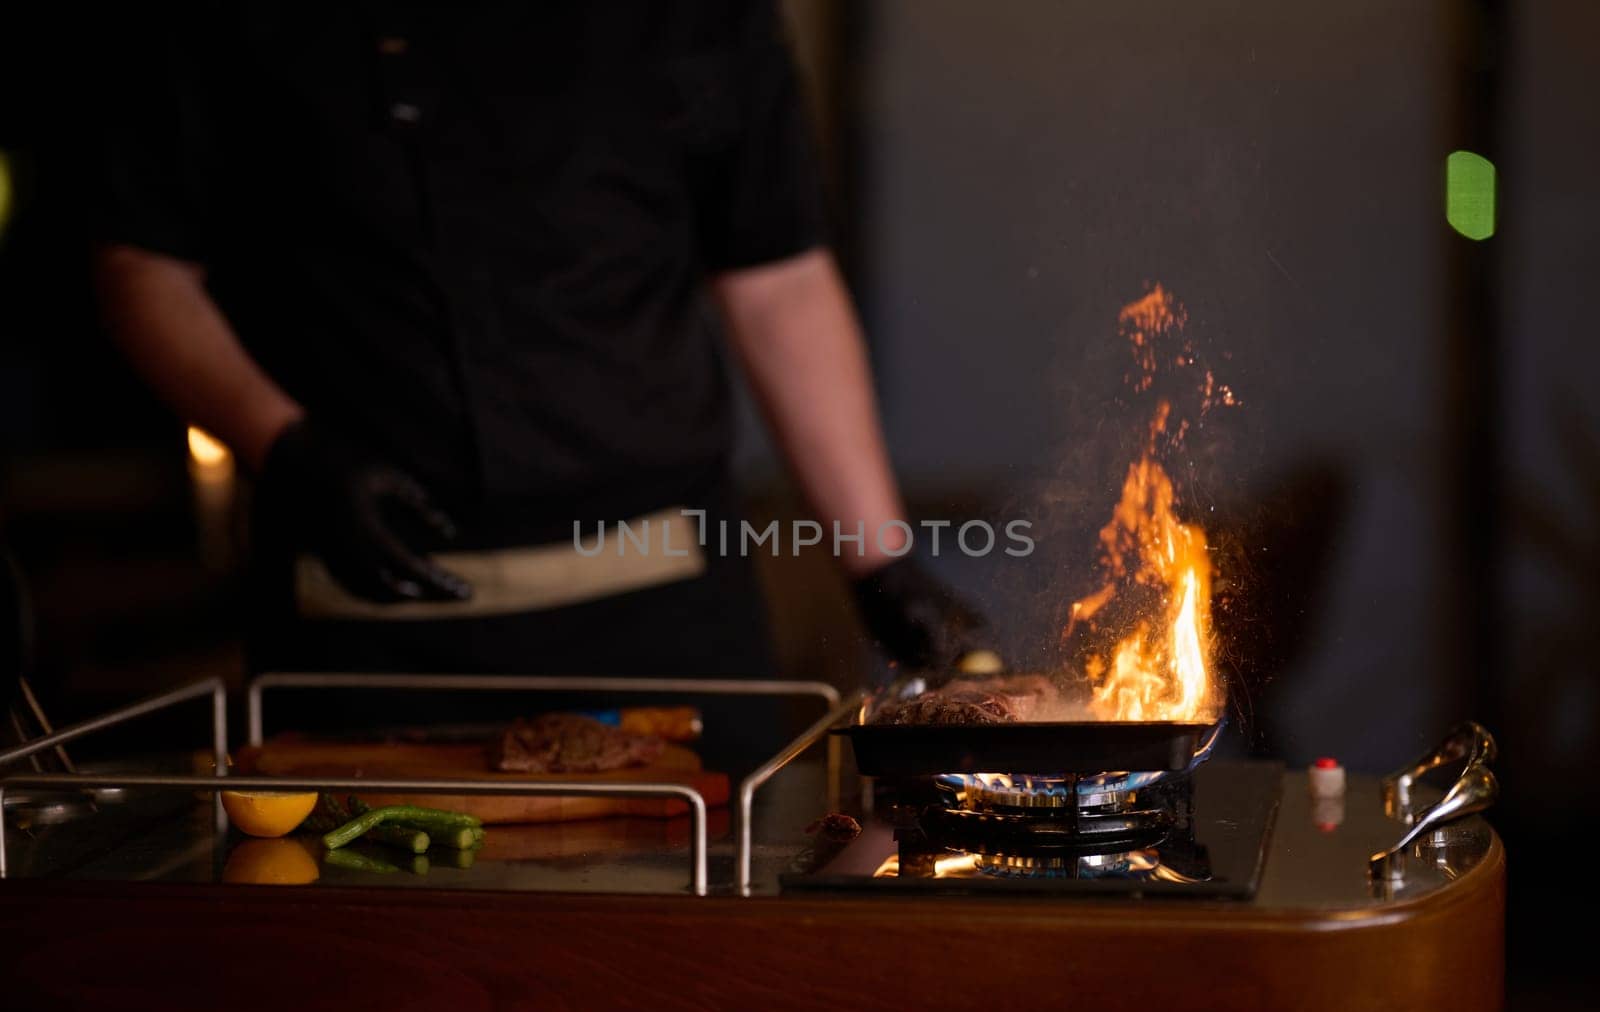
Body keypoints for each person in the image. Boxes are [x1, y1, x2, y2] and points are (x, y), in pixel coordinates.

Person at [93, 1, 978, 696]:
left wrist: (878, 560)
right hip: (352, 629)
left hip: (665, 620)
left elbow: (777, 280)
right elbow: (143, 269)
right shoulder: (216, 16)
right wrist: (282, 446)